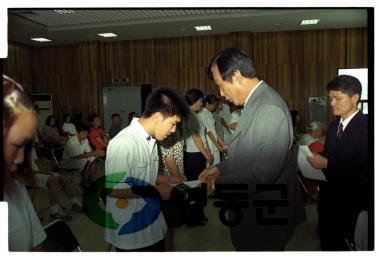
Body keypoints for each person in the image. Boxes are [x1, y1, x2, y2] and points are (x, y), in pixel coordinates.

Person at [199, 48, 306, 251]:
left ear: (237, 76)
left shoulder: (268, 108)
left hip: (264, 215)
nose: (221, 94)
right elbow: (250, 154)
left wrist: (216, 184)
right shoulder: (255, 102)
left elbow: (263, 173)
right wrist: (221, 168)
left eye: (221, 85)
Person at [105, 87, 189, 252]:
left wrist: (164, 179)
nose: (173, 131)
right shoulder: (124, 143)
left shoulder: (150, 140)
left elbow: (140, 173)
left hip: (152, 225)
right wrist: (156, 191)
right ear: (157, 117)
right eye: (173, 124)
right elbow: (114, 188)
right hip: (132, 233)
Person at [307, 75, 368, 250]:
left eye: (337, 98)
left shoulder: (366, 127)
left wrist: (327, 164)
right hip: (328, 199)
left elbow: (363, 168)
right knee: (328, 243)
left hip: (351, 202)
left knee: (346, 245)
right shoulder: (334, 126)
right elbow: (330, 156)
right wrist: (316, 161)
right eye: (330, 98)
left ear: (354, 98)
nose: (332, 103)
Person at [3, 75, 46, 251]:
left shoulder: (15, 186)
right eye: (17, 145)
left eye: (26, 146)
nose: (21, 159)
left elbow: (35, 244)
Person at [157, 130, 186, 251]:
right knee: (168, 224)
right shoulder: (169, 132)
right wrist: (179, 180)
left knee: (169, 225)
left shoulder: (172, 130)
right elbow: (169, 159)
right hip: (169, 183)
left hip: (171, 179)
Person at [61, 123, 105, 188]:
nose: (85, 135)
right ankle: (83, 183)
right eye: (83, 133)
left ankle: (91, 180)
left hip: (78, 158)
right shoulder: (72, 141)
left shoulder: (85, 140)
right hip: (68, 161)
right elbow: (77, 156)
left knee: (92, 158)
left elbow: (88, 152)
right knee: (85, 161)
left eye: (86, 133)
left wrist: (95, 153)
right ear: (77, 133)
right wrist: (94, 153)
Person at [182, 89, 213, 180]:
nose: (202, 103)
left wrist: (207, 151)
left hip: (198, 153)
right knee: (195, 180)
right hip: (193, 155)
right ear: (194, 101)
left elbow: (202, 136)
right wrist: (206, 155)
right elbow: (196, 137)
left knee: (199, 180)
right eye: (200, 101)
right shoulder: (189, 115)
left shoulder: (194, 115)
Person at [199, 94, 227, 166]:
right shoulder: (202, 113)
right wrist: (217, 145)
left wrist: (221, 142)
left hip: (214, 142)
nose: (215, 107)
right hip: (209, 143)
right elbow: (208, 132)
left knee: (216, 165)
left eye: (216, 105)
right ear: (207, 103)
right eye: (213, 105)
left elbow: (213, 130)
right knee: (209, 166)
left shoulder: (210, 113)